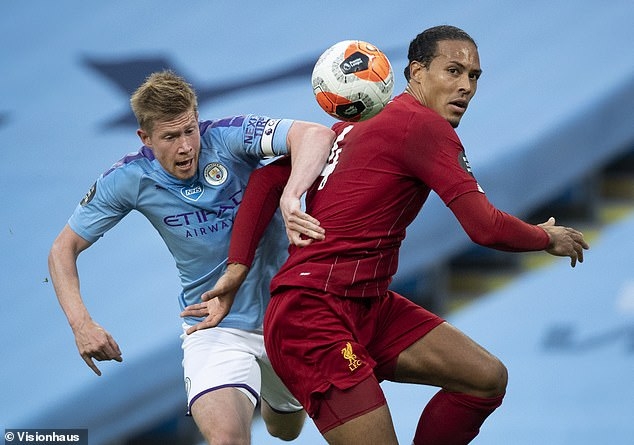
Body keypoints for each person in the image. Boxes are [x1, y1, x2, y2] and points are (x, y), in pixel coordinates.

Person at [183, 25, 590, 445]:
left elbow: (266, 181)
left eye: (474, 76)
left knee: (484, 378)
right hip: (313, 315)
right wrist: (546, 238)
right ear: (416, 72)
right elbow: (484, 227)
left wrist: (237, 268)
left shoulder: (354, 124)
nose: (466, 86)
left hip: (368, 305)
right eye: (453, 71)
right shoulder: (423, 127)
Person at [47, 70, 335, 444]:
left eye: (189, 130)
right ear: (145, 138)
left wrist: (290, 195)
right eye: (170, 137)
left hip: (288, 314)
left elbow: (316, 134)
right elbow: (62, 250)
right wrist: (81, 324)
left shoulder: (229, 137)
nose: (185, 147)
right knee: (227, 439)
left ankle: (272, 392)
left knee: (286, 429)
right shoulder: (129, 178)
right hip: (214, 325)